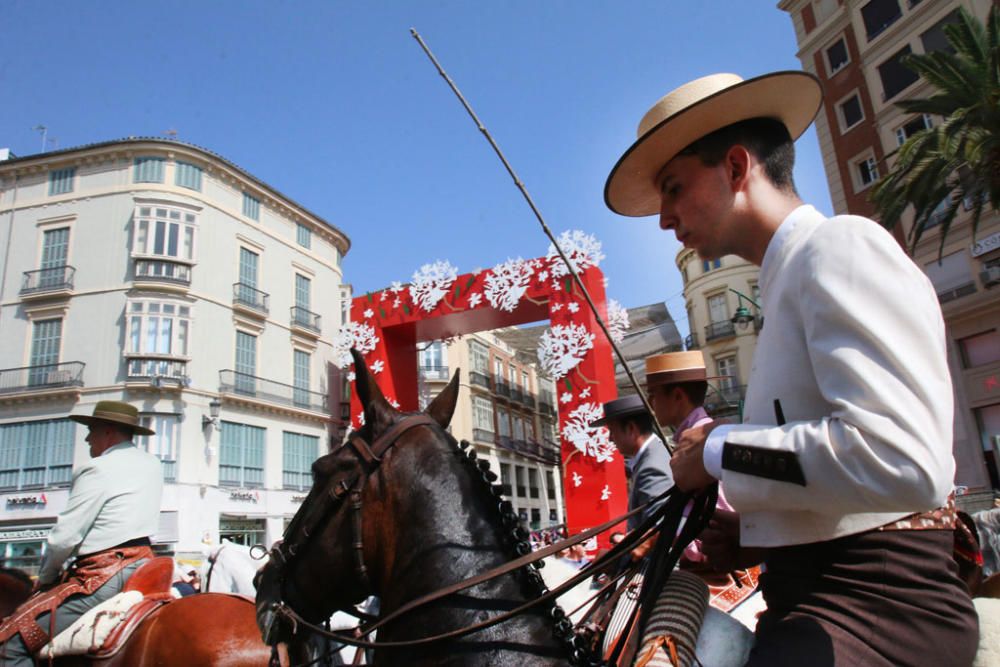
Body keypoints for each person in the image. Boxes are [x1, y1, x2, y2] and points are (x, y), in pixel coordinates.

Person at [604, 72, 978, 665]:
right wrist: (754, 538)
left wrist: (715, 450)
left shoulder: (839, 246)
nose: (664, 218)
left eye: (673, 189)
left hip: (879, 613)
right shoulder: (784, 284)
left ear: (734, 167)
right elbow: (827, 479)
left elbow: (901, 458)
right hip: (812, 601)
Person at [0, 401, 164, 665]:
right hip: (147, 568)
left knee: (11, 644)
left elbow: (65, 537)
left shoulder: (98, 468)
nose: (87, 438)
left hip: (105, 575)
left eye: (92, 430)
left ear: (108, 431)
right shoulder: (152, 464)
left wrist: (46, 576)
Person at [590, 394, 672, 561]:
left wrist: (614, 559)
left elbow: (660, 531)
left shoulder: (652, 466)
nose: (610, 439)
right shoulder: (651, 457)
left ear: (631, 429)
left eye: (612, 431)